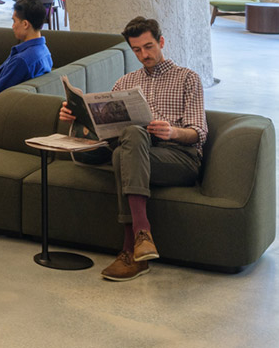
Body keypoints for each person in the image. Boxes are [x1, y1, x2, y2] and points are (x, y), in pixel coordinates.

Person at [87, 16, 208, 282]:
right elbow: (106, 133)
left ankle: (132, 245)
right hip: (136, 153)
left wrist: (173, 132)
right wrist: (78, 117)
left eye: (149, 46)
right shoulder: (124, 83)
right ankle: (141, 243)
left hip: (179, 158)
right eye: (137, 50)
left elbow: (198, 132)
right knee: (124, 147)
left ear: (161, 42)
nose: (144, 54)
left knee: (126, 149)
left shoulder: (188, 78)